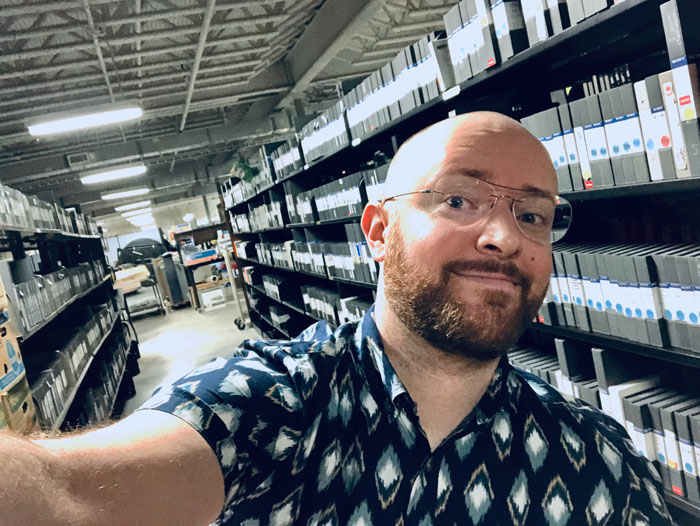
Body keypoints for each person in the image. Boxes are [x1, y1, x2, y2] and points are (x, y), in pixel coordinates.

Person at [0, 112, 673, 525]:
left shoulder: (596, 459)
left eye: (531, 215)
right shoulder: (268, 408)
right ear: (377, 233)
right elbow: (64, 495)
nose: (503, 236)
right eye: (461, 200)